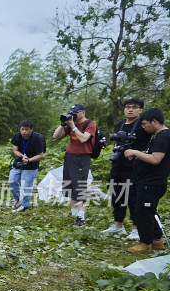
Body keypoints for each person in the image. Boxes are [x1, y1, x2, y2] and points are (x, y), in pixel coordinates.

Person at [123, 108, 170, 254]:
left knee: (142, 212)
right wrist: (141, 154)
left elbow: (156, 159)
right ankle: (157, 240)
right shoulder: (159, 136)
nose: (144, 128)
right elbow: (153, 154)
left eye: (144, 124)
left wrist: (135, 152)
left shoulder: (163, 136)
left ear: (154, 122)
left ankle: (145, 243)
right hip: (150, 181)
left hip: (152, 183)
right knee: (149, 210)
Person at [103, 98, 149, 238]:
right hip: (118, 164)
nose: (130, 109)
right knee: (117, 194)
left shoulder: (143, 125)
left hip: (135, 165)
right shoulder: (120, 124)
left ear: (140, 110)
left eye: (134, 107)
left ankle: (136, 228)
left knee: (133, 196)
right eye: (128, 107)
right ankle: (118, 225)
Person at [53, 104, 96, 226]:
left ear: (82, 112)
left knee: (80, 186)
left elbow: (83, 139)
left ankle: (81, 216)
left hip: (82, 157)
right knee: (70, 185)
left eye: (75, 112)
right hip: (70, 157)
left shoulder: (90, 124)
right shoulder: (71, 123)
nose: (73, 115)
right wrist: (63, 124)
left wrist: (73, 126)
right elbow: (56, 136)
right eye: (72, 112)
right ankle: (74, 214)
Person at [8, 119, 46, 213]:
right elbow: (15, 150)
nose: (24, 132)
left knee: (26, 186)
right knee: (12, 182)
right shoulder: (17, 136)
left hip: (31, 165)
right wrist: (21, 156)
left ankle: (25, 205)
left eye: (26, 129)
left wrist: (29, 160)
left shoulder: (38, 138)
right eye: (22, 129)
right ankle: (18, 200)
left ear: (31, 129)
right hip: (18, 163)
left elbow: (41, 155)